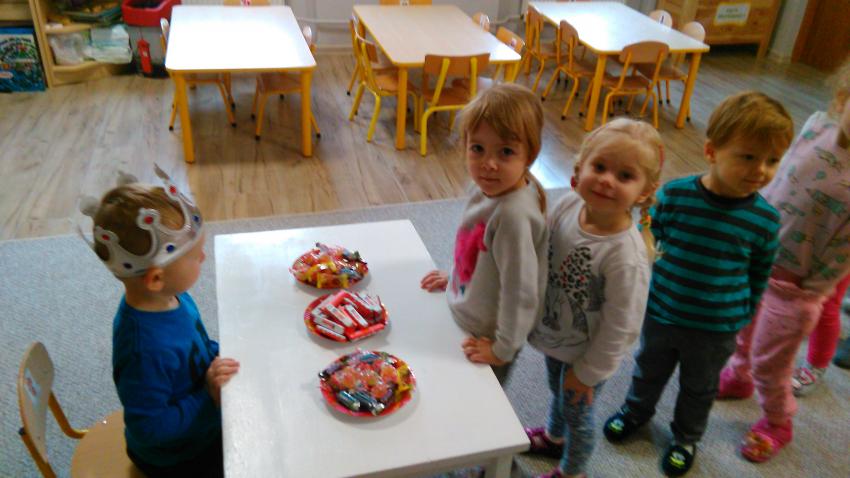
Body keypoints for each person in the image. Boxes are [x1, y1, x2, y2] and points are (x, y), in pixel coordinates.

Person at [602, 91, 794, 477]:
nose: (760, 170)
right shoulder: (674, 196)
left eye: (772, 160)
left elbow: (760, 273)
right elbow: (648, 238)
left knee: (699, 387)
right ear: (711, 151)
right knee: (648, 369)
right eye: (748, 157)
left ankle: (686, 437)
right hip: (663, 311)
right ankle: (635, 411)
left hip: (715, 328)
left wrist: (743, 313)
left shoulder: (765, 220)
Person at [717, 63, 850, 462]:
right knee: (741, 329)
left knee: (771, 362)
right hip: (757, 257)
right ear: (842, 98)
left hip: (796, 289)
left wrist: (813, 292)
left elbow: (843, 252)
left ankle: (778, 421)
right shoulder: (816, 127)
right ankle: (738, 376)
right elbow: (778, 178)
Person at [523, 118, 662, 478]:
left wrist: (588, 374)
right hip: (558, 334)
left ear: (644, 191)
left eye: (625, 175)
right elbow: (540, 250)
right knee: (557, 390)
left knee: (578, 415)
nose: (606, 180)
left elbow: (622, 328)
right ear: (578, 170)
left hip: (590, 355)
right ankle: (554, 439)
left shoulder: (625, 256)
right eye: (599, 167)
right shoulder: (568, 205)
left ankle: (574, 471)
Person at [80, 166, 240, 478]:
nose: (203, 258)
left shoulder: (175, 296)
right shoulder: (144, 350)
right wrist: (208, 395)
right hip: (179, 458)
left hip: (201, 421)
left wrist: (219, 355)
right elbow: (149, 429)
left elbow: (196, 346)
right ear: (155, 278)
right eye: (195, 256)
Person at [420, 83, 548, 383]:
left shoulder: (514, 216)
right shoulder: (488, 189)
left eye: (506, 152)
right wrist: (456, 277)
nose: (489, 164)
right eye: (477, 148)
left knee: (480, 396)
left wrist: (503, 349)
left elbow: (521, 292)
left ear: (530, 155)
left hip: (488, 334)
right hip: (469, 311)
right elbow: (475, 250)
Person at [786, 59, 850, 396]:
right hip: (797, 233)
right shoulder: (817, 128)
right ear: (842, 99)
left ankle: (817, 364)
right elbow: (788, 172)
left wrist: (822, 284)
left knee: (825, 307)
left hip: (836, 253)